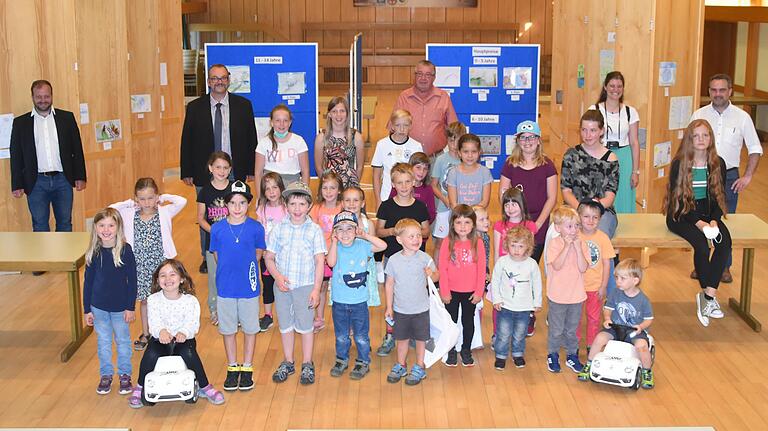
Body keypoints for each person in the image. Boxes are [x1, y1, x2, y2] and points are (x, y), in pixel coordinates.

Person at [180, 64, 257, 275]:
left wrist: (250, 168)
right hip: (205, 173)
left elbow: (251, 138)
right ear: (208, 81)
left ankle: (237, 249)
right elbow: (187, 140)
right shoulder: (195, 107)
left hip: (235, 169)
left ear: (229, 80)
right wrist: (186, 170)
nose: (219, 82)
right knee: (208, 214)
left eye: (223, 78)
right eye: (214, 78)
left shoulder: (243, 105)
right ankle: (208, 256)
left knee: (236, 210)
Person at [690, 73, 762, 283]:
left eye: (722, 90)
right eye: (713, 90)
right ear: (709, 91)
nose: (718, 94)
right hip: (701, 174)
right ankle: (701, 264)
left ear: (730, 91)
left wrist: (748, 176)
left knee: (723, 220)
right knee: (700, 219)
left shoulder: (742, 117)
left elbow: (755, 148)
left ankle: (724, 267)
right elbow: (687, 145)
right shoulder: (699, 115)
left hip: (729, 177)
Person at [128, 259, 225, 408]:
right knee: (151, 354)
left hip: (183, 339)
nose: (167, 279)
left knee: (188, 353)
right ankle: (140, 386)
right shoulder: (153, 300)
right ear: (157, 280)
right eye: (162, 275)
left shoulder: (190, 301)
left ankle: (205, 386)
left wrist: (184, 333)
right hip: (160, 339)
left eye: (172, 274)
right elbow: (153, 321)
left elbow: (192, 323)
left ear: (182, 279)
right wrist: (161, 331)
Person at [663, 119, 731, 328]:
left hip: (707, 213)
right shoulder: (679, 164)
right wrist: (701, 224)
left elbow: (719, 198)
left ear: (711, 139)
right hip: (681, 214)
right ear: (689, 140)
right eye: (696, 136)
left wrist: (713, 220)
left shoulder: (718, 163)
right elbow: (680, 202)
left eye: (705, 135)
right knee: (701, 246)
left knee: (724, 243)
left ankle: (708, 296)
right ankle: (708, 299)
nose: (701, 140)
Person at [110, 178, 187, 351]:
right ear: (136, 199)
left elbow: (182, 201)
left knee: (166, 299)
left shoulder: (164, 211)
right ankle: (146, 333)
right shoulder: (129, 214)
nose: (147, 202)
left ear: (156, 197)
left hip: (160, 265)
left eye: (151, 198)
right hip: (139, 265)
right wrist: (129, 203)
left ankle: (167, 332)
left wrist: (164, 196)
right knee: (145, 301)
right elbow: (112, 209)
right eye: (142, 199)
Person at [264, 181, 326, 385]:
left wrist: (316, 289)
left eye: (301, 204)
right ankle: (288, 361)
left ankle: (307, 363)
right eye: (292, 204)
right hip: (282, 287)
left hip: (306, 286)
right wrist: (278, 277)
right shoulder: (279, 228)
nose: (297, 209)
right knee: (285, 325)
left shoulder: (314, 230)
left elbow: (319, 261)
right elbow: (269, 257)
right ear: (286, 205)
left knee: (306, 325)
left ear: (309, 206)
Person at [10, 80, 87, 241]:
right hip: (35, 182)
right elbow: (16, 156)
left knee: (65, 223)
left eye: (46, 96)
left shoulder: (66, 118)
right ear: (32, 97)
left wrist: (80, 176)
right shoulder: (21, 123)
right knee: (39, 225)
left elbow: (77, 149)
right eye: (39, 97)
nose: (43, 100)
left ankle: (64, 262)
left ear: (52, 96)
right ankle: (44, 264)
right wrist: (17, 184)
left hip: (63, 180)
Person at [209, 181, 266, 391]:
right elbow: (216, 255)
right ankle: (233, 367)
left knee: (251, 328)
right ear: (226, 204)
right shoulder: (217, 228)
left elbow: (258, 253)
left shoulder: (255, 227)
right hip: (225, 287)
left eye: (242, 202)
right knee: (228, 329)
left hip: (248, 288)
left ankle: (247, 366)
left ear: (248, 204)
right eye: (233, 202)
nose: (237, 207)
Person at [375, 163, 430, 356]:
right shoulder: (386, 206)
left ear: (414, 182)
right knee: (393, 297)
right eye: (400, 182)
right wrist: (393, 231)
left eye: (408, 181)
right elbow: (378, 231)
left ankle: (414, 333)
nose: (404, 186)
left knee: (415, 296)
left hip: (416, 261)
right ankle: (391, 334)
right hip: (392, 258)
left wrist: (412, 233)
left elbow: (426, 231)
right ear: (393, 184)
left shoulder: (420, 206)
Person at [326, 211, 387, 379]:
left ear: (356, 230)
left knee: (361, 335)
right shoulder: (335, 247)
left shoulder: (363, 245)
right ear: (335, 232)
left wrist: (365, 235)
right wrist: (332, 242)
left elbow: (383, 246)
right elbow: (330, 263)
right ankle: (341, 358)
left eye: (349, 229)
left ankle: (363, 360)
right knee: (341, 335)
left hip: (359, 301)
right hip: (339, 301)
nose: (345, 233)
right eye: (340, 229)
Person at [83, 208, 136, 395]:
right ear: (95, 228)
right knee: (103, 341)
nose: (106, 229)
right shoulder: (93, 252)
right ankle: (106, 374)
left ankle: (124, 375)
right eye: (102, 225)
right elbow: (88, 282)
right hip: (99, 308)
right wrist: (86, 309)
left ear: (118, 227)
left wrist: (130, 307)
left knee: (123, 340)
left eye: (111, 225)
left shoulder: (125, 250)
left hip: (121, 308)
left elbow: (132, 281)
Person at [578, 258, 654, 389]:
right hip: (615, 327)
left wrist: (640, 327)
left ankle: (647, 372)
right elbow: (608, 309)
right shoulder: (615, 293)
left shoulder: (643, 300)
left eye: (622, 278)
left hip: (633, 331)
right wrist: (607, 318)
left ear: (635, 281)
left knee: (642, 346)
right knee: (599, 338)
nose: (618, 281)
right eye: (617, 277)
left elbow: (649, 319)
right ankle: (589, 364)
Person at [384, 219, 439, 385]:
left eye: (418, 235)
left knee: (422, 339)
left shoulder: (425, 258)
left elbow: (437, 276)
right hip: (400, 309)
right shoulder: (393, 260)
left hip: (421, 309)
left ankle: (419, 366)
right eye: (411, 236)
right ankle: (401, 364)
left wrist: (431, 274)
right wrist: (388, 307)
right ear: (400, 240)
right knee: (402, 339)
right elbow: (389, 284)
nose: (416, 239)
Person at [500, 120, 558, 262]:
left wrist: (537, 224)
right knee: (513, 260)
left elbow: (552, 198)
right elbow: (503, 193)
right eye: (523, 137)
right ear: (518, 141)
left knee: (531, 263)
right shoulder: (510, 164)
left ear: (538, 140)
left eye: (531, 137)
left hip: (539, 221)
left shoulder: (547, 165)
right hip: (516, 220)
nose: (527, 141)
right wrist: (512, 217)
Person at [439, 204, 486, 367]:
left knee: (468, 322)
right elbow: (442, 269)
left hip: (471, 292)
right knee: (451, 323)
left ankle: (466, 349)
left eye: (467, 222)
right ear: (452, 224)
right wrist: (444, 291)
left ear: (473, 224)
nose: (463, 227)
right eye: (458, 222)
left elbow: (481, 270)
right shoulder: (447, 242)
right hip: (451, 291)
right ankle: (451, 350)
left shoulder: (478, 243)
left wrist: (479, 291)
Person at [589, 71, 641, 214]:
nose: (615, 90)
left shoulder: (631, 112)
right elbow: (588, 138)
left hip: (624, 157)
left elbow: (635, 142)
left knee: (623, 195)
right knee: (601, 193)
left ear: (623, 89)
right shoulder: (595, 110)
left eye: (619, 86)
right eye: (612, 86)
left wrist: (636, 171)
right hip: (601, 155)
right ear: (605, 87)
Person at [545, 206, 589, 374]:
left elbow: (583, 267)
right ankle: (553, 354)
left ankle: (572, 355)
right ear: (558, 228)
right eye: (569, 226)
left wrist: (577, 248)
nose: (574, 230)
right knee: (556, 330)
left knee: (572, 329)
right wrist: (566, 246)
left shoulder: (581, 244)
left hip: (576, 295)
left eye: (576, 226)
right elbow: (556, 264)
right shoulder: (555, 244)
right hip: (557, 295)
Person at [491, 226, 542, 370]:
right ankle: (501, 355)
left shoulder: (531, 264)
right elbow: (495, 281)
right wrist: (497, 299)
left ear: (528, 247)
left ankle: (518, 353)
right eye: (513, 245)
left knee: (521, 332)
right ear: (507, 245)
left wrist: (537, 302)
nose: (516, 249)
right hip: (505, 306)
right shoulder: (502, 262)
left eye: (521, 246)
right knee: (503, 332)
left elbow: (537, 284)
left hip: (524, 307)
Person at [491, 187, 537, 340]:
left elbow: (529, 251)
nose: (510, 208)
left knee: (520, 303)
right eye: (506, 204)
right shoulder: (499, 225)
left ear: (522, 204)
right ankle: (497, 334)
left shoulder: (529, 225)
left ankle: (518, 334)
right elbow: (497, 251)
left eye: (514, 204)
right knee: (499, 303)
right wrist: (496, 274)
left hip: (522, 272)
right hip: (504, 271)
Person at [389, 60, 458, 157]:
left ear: (434, 77)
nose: (423, 78)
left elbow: (454, 128)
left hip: (436, 159)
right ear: (415, 76)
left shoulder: (443, 97)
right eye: (420, 74)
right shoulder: (404, 97)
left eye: (428, 75)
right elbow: (392, 128)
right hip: (408, 158)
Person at [196, 151, 233, 324]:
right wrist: (215, 231)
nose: (222, 170)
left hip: (233, 242)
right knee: (214, 276)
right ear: (210, 168)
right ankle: (214, 309)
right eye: (218, 167)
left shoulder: (235, 188)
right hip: (214, 243)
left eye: (225, 167)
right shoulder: (204, 191)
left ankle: (233, 309)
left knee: (232, 274)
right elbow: (200, 218)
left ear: (230, 169)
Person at [576, 200, 615, 350]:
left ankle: (591, 345)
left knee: (593, 318)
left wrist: (604, 286)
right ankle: (575, 344)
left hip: (595, 286)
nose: (590, 221)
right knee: (576, 318)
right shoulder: (575, 236)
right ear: (579, 217)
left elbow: (607, 264)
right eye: (586, 216)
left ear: (600, 219)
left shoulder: (603, 238)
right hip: (577, 287)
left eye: (595, 217)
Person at [309, 171, 343, 332]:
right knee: (321, 286)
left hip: (340, 254)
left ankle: (345, 320)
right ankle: (319, 317)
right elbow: (311, 232)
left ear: (339, 190)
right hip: (321, 255)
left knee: (341, 286)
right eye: (325, 188)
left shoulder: (343, 208)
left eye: (332, 188)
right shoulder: (316, 209)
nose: (328, 192)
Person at [255, 104, 311, 200]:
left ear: (290, 123)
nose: (282, 124)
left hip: (292, 188)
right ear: (272, 122)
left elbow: (305, 171)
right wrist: (260, 198)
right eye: (278, 120)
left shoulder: (299, 141)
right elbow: (258, 173)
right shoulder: (264, 143)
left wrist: (303, 195)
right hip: (270, 189)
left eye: (285, 121)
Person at [371, 109, 423, 211]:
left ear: (411, 126)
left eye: (406, 125)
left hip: (409, 198)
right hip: (386, 197)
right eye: (398, 125)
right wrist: (378, 200)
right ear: (392, 126)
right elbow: (376, 175)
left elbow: (419, 176)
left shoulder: (416, 146)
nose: (402, 129)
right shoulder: (382, 145)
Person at [255, 172, 288, 333]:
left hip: (285, 255)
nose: (272, 191)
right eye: (267, 189)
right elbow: (260, 232)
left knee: (286, 284)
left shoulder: (287, 207)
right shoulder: (261, 209)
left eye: (275, 187)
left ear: (281, 188)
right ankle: (268, 315)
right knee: (267, 286)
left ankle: (288, 313)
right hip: (268, 255)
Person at [431, 121, 466, 263]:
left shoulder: (466, 159)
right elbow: (434, 185)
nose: (453, 143)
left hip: (462, 208)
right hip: (444, 208)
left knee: (460, 242)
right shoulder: (441, 160)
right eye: (451, 139)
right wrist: (445, 200)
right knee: (440, 243)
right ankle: (437, 277)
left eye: (457, 139)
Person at [341, 185, 380, 307]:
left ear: (362, 203)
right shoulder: (339, 223)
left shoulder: (368, 224)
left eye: (356, 200)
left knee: (362, 303)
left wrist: (360, 263)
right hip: (345, 268)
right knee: (345, 302)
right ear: (342, 203)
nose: (351, 203)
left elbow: (373, 248)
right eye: (347, 200)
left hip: (364, 268)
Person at [314, 96, 365, 188]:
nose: (338, 115)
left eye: (342, 111)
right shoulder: (321, 138)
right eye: (334, 111)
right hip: (329, 187)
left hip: (350, 187)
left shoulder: (356, 137)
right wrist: (326, 186)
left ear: (347, 113)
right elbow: (318, 167)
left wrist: (354, 185)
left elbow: (360, 166)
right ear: (329, 114)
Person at [447, 133, 492, 209]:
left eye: (474, 151)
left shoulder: (485, 172)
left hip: (478, 217)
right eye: (466, 151)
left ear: (479, 152)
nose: (470, 155)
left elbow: (484, 202)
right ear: (459, 153)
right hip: (459, 217)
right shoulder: (453, 173)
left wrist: (471, 214)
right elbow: (453, 203)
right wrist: (465, 217)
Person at [390, 152, 436, 224]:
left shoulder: (428, 189)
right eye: (418, 167)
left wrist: (420, 226)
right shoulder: (399, 186)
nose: (421, 172)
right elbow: (390, 207)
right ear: (411, 167)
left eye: (425, 169)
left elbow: (431, 213)